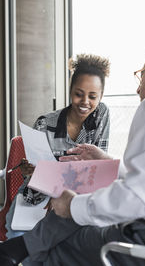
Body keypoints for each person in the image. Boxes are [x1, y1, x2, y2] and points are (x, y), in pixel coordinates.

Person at [1, 41, 145, 266]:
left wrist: (72, 206)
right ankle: (20, 247)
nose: (137, 88)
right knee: (68, 217)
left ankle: (19, 250)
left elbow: (142, 198)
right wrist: (108, 162)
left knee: (52, 249)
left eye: (140, 74)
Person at [4, 54, 110, 264]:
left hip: (74, 197)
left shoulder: (101, 115)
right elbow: (37, 178)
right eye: (79, 94)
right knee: (22, 248)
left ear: (100, 97)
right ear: (70, 91)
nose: (85, 102)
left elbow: (96, 170)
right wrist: (34, 172)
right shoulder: (45, 123)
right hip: (37, 198)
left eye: (92, 96)